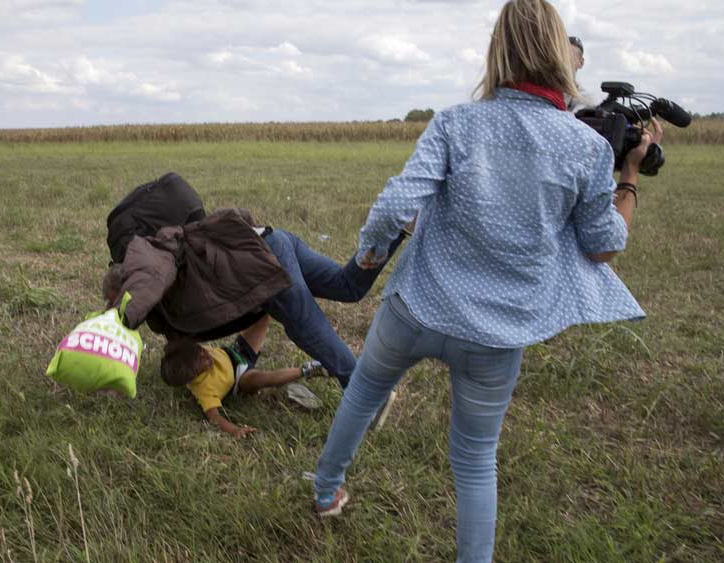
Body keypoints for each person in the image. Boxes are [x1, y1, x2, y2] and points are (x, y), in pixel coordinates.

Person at [310, 1, 662, 561]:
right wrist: (630, 173)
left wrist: (371, 254)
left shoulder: (456, 121)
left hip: (415, 307)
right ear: (559, 56)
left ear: (499, 51)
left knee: (362, 393)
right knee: (475, 460)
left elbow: (398, 202)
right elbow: (604, 246)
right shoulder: (587, 147)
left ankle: (326, 492)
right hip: (496, 335)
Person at [104, 209, 407, 393]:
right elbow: (179, 346)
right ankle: (394, 228)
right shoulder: (168, 306)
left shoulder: (152, 269)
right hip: (271, 240)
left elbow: (146, 287)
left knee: (304, 324)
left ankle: (365, 392)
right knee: (347, 287)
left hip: (260, 264)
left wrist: (117, 318)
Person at [159, 315, 326, 438]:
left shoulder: (191, 354)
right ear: (194, 375)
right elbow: (215, 418)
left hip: (237, 352)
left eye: (202, 350)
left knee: (263, 317)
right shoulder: (204, 390)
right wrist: (234, 430)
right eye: (204, 360)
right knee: (260, 379)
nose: (206, 353)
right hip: (241, 378)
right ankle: (308, 369)